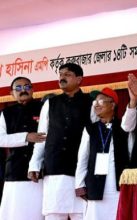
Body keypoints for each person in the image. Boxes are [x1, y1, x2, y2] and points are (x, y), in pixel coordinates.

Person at [28, 63, 94, 220]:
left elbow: (96, 136)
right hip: (54, 166)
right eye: (60, 74)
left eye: (67, 74)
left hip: (80, 168)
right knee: (53, 213)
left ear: (79, 79)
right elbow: (41, 136)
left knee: (82, 213)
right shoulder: (50, 103)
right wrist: (34, 164)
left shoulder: (90, 102)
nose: (62, 78)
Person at [75, 88, 132, 220]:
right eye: (95, 101)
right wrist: (79, 184)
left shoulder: (124, 127)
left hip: (118, 185)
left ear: (112, 105)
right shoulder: (90, 129)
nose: (96, 104)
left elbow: (130, 154)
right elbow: (82, 159)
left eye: (100, 101)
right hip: (95, 185)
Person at [0, 77, 46, 220]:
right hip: (15, 170)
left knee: (37, 213)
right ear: (12, 93)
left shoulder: (44, 108)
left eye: (27, 87)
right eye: (18, 88)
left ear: (33, 90)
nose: (23, 90)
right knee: (14, 213)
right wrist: (26, 137)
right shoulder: (6, 113)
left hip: (40, 172)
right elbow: (1, 139)